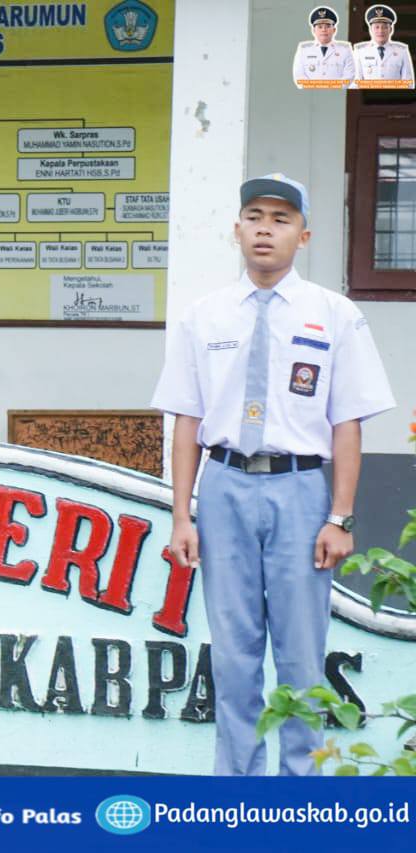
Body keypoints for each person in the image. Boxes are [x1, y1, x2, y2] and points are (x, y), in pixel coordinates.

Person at [151, 173, 394, 776]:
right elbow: (188, 422)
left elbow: (347, 425)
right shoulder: (203, 318)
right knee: (233, 656)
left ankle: (299, 797)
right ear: (237, 229)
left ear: (303, 236)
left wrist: (340, 516)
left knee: (301, 656)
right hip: (226, 486)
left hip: (300, 490)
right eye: (254, 215)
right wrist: (183, 515)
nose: (265, 228)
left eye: (281, 219)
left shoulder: (335, 317)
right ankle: (237, 793)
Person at [292, 7, 355, 87]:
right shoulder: (304, 50)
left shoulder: (345, 49)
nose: (324, 30)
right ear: (313, 30)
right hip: (311, 96)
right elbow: (299, 77)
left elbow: (349, 76)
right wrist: (316, 90)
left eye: (328, 26)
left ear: (334, 30)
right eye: (320, 27)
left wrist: (330, 89)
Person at [354, 4, 414, 87]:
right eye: (377, 27)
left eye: (385, 27)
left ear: (391, 30)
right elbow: (356, 83)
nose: (381, 31)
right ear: (370, 29)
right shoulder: (360, 51)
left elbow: (408, 83)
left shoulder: (402, 51)